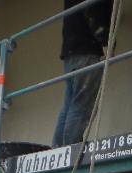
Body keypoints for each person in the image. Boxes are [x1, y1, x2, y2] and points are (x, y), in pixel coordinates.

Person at [52, 0, 114, 147]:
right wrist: (107, 41)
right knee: (82, 105)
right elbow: (93, 12)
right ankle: (71, 150)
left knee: (70, 105)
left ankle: (58, 150)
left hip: (71, 54)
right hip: (87, 52)